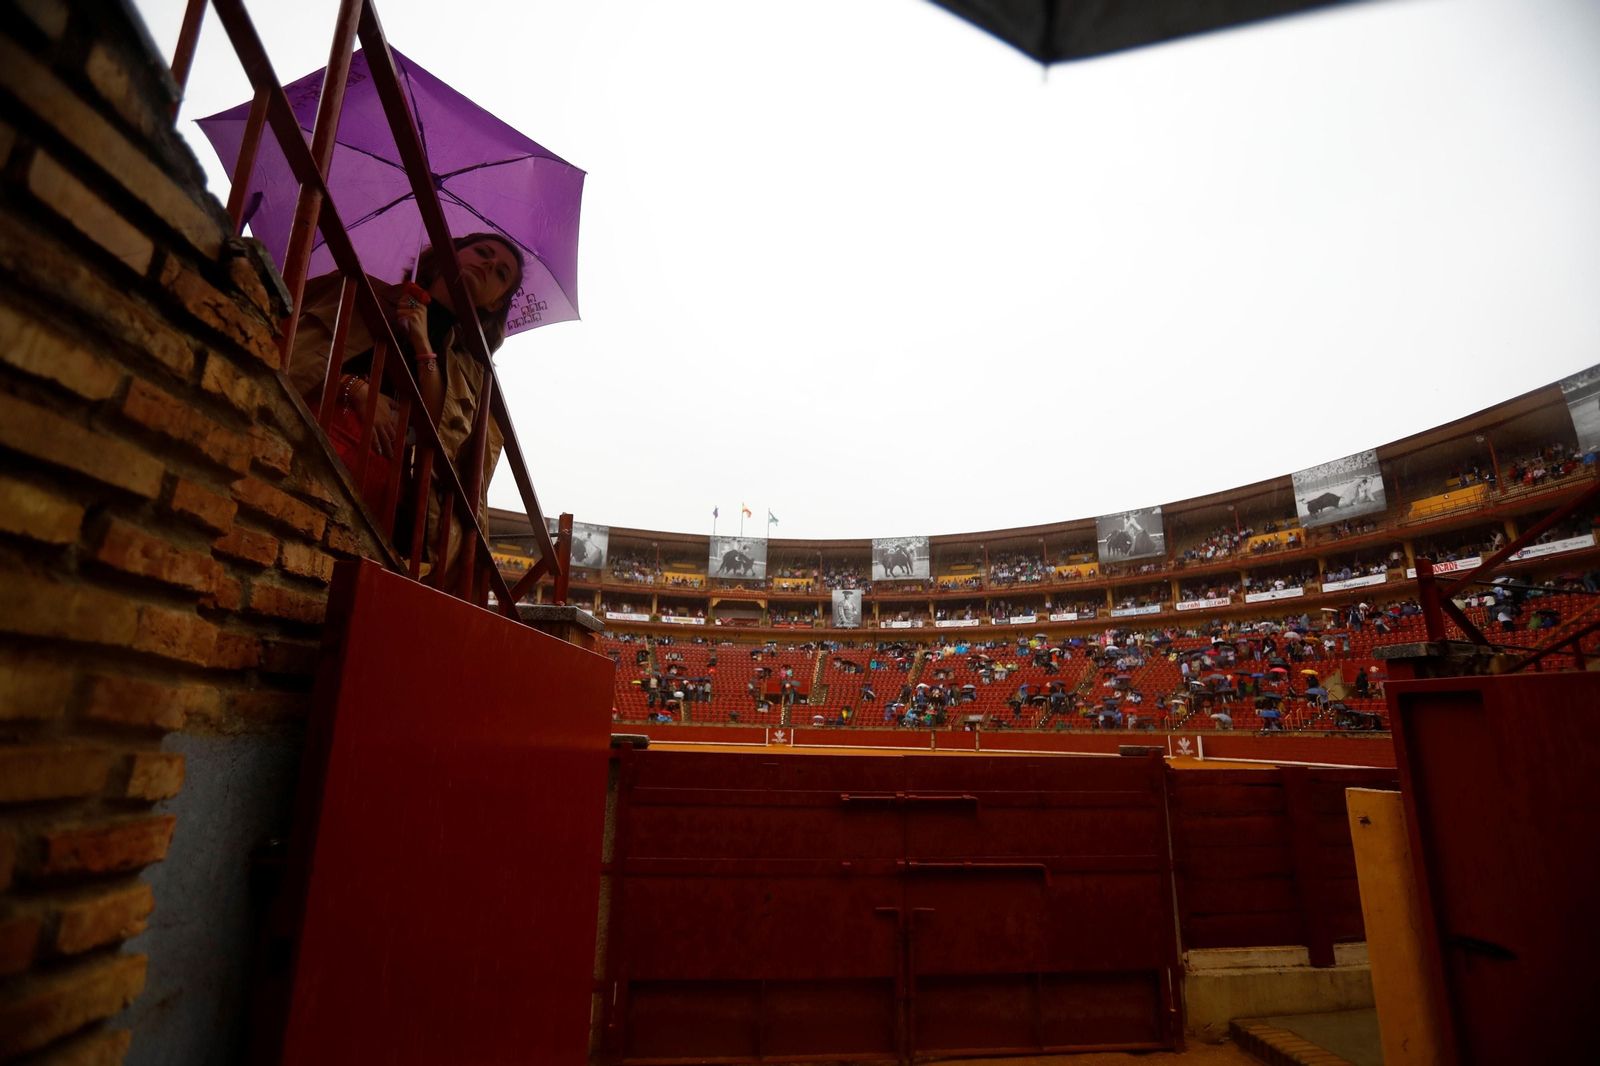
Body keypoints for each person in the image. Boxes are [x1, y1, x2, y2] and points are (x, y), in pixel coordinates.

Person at [288, 233, 525, 577]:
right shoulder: (358, 288)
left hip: (381, 495)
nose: (489, 264)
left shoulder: (474, 375)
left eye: (502, 273)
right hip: (308, 442)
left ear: (495, 303)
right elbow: (292, 348)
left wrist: (421, 338)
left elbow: (439, 430)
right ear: (447, 256)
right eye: (482, 252)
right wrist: (355, 388)